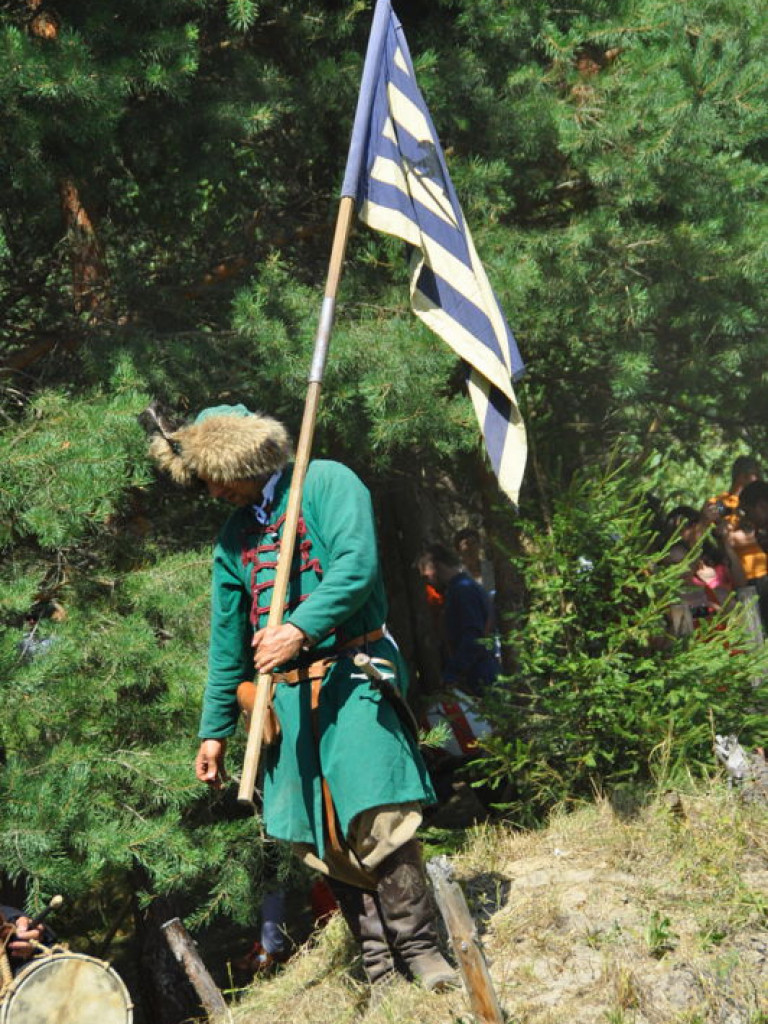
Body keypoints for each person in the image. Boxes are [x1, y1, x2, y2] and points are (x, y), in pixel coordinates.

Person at [148, 404, 456, 993]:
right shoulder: (233, 540)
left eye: (215, 475)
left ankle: (421, 950)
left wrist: (298, 627)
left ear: (242, 458)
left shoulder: (327, 483)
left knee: (378, 806)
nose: (211, 490)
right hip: (286, 698)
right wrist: (213, 732)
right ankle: (380, 966)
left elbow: (356, 566)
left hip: (353, 673)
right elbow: (226, 646)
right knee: (322, 832)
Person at [418, 544, 498, 698]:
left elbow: (474, 636)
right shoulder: (458, 589)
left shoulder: (463, 590)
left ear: (437, 566)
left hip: (481, 674)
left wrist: (452, 673)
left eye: (426, 576)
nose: (427, 582)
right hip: (477, 670)